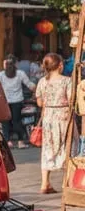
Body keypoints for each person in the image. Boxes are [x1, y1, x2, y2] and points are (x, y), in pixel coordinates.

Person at [35, 53, 72, 194]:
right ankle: (65, 183)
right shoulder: (67, 81)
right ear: (60, 65)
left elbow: (39, 102)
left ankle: (45, 183)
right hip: (63, 116)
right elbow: (70, 100)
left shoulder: (42, 82)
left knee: (47, 148)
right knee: (66, 147)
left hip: (48, 117)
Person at [0, 55, 34, 148]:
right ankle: (20, 142)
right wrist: (36, 88)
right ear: (15, 64)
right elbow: (29, 84)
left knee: (5, 122)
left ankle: (8, 141)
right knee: (17, 121)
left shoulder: (1, 75)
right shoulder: (20, 73)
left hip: (5, 101)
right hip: (17, 101)